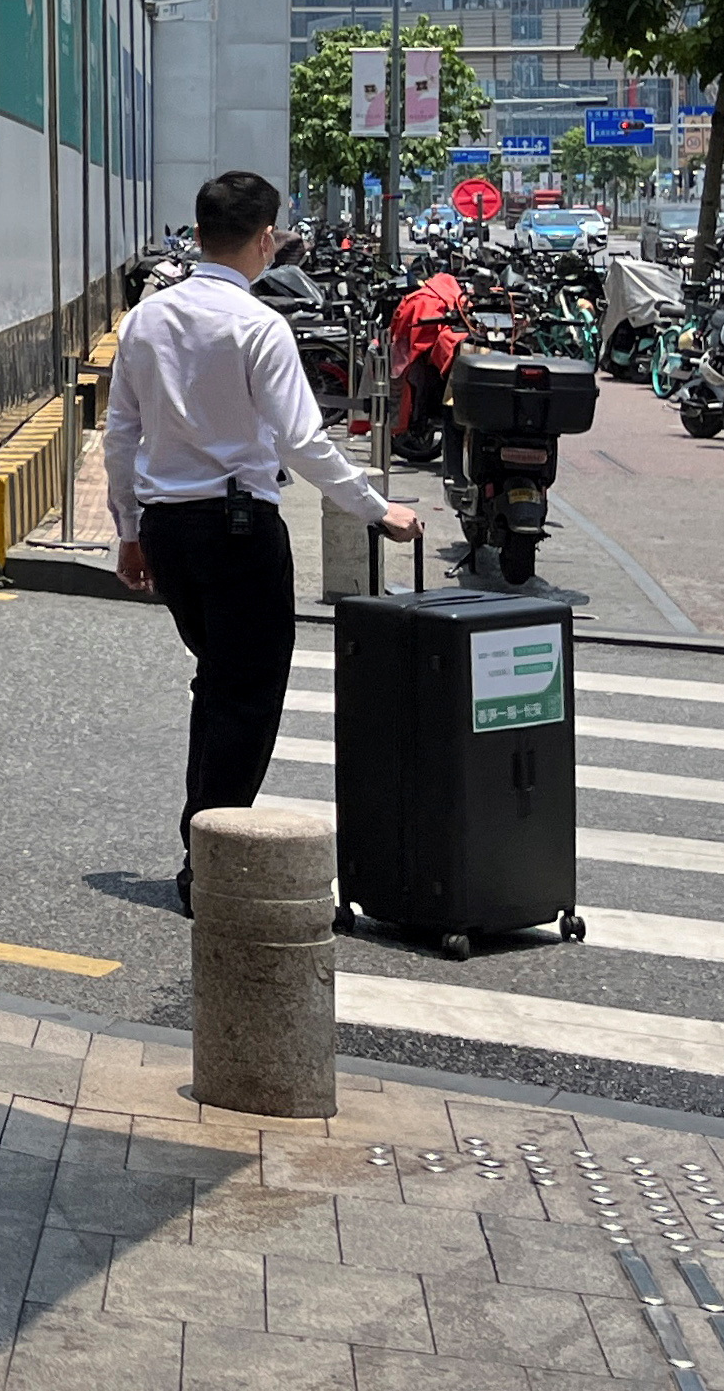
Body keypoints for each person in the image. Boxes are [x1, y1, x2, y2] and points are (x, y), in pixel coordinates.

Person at [106, 167, 421, 913]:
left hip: (167, 528)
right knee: (244, 696)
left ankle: (203, 837)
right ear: (262, 238)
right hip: (237, 528)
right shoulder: (256, 324)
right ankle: (209, 858)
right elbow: (303, 440)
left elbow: (120, 434)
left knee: (216, 682)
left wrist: (126, 532)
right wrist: (378, 509)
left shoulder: (147, 318)